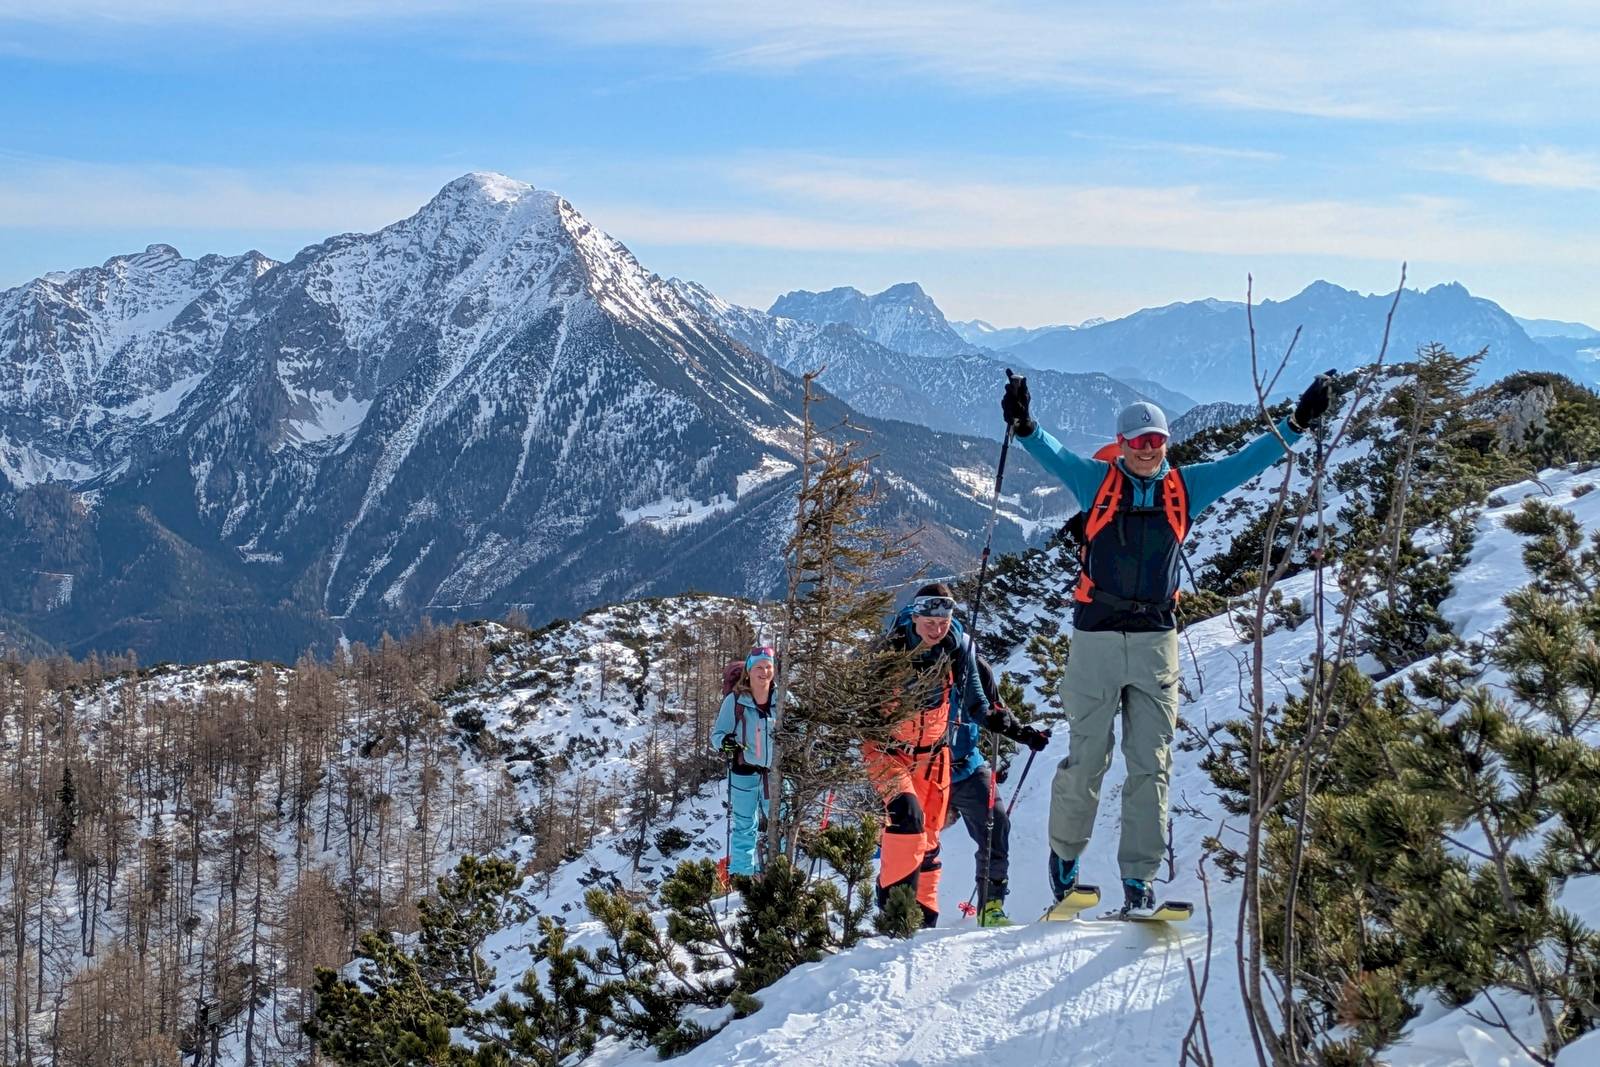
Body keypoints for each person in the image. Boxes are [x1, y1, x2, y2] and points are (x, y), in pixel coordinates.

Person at [1000, 374, 1334, 914]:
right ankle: (1065, 860)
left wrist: (1296, 423)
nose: (1148, 449)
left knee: (1151, 764)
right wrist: (1024, 423)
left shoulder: (1185, 487)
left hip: (1157, 640)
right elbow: (1053, 453)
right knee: (1088, 759)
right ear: (1122, 444)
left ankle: (1139, 880)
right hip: (1096, 639)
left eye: (1157, 440)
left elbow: (1247, 462)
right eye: (1138, 441)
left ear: (1166, 443)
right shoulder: (1097, 483)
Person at [866, 582, 1049, 928]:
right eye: (929, 622)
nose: (937, 630)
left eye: (943, 622)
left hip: (950, 762)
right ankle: (896, 912)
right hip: (901, 757)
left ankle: (957, 913)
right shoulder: (891, 650)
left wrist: (1021, 732)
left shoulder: (961, 654)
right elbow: (865, 704)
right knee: (910, 823)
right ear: (915, 617)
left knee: (974, 828)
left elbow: (985, 707)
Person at [948, 653, 1050, 927]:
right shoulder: (911, 657)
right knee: (916, 836)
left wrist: (1025, 734)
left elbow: (997, 711)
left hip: (966, 765)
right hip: (923, 769)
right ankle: (907, 910)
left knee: (996, 823)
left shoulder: (974, 664)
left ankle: (991, 906)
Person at [710, 645, 777, 876]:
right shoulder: (736, 700)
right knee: (744, 826)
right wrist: (725, 743)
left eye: (768, 667)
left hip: (776, 774)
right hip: (743, 771)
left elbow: (799, 730)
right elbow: (717, 736)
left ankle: (780, 873)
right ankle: (742, 877)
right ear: (749, 670)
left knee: (781, 823)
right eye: (759, 667)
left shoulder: (783, 698)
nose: (764, 672)